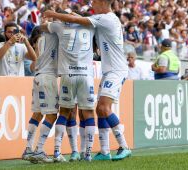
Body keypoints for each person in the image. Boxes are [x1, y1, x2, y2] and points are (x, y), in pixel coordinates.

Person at [44, 0, 131, 161]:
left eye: (95, 2)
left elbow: (79, 20)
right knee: (99, 110)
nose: (92, 6)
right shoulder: (104, 18)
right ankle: (105, 151)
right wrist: (72, 15)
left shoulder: (107, 19)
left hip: (116, 70)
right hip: (109, 70)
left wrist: (53, 14)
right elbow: (81, 18)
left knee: (104, 108)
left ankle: (124, 146)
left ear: (103, 3)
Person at [42, 12, 96, 162]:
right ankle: (88, 154)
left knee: (65, 112)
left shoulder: (59, 27)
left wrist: (54, 20)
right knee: (89, 113)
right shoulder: (91, 26)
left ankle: (57, 151)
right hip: (86, 75)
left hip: (68, 74)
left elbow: (41, 27)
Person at [22, 25, 59, 163]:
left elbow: (34, 64)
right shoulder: (55, 37)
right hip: (48, 78)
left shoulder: (39, 41)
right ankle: (39, 150)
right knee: (52, 115)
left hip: (37, 77)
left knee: (37, 114)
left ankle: (28, 149)